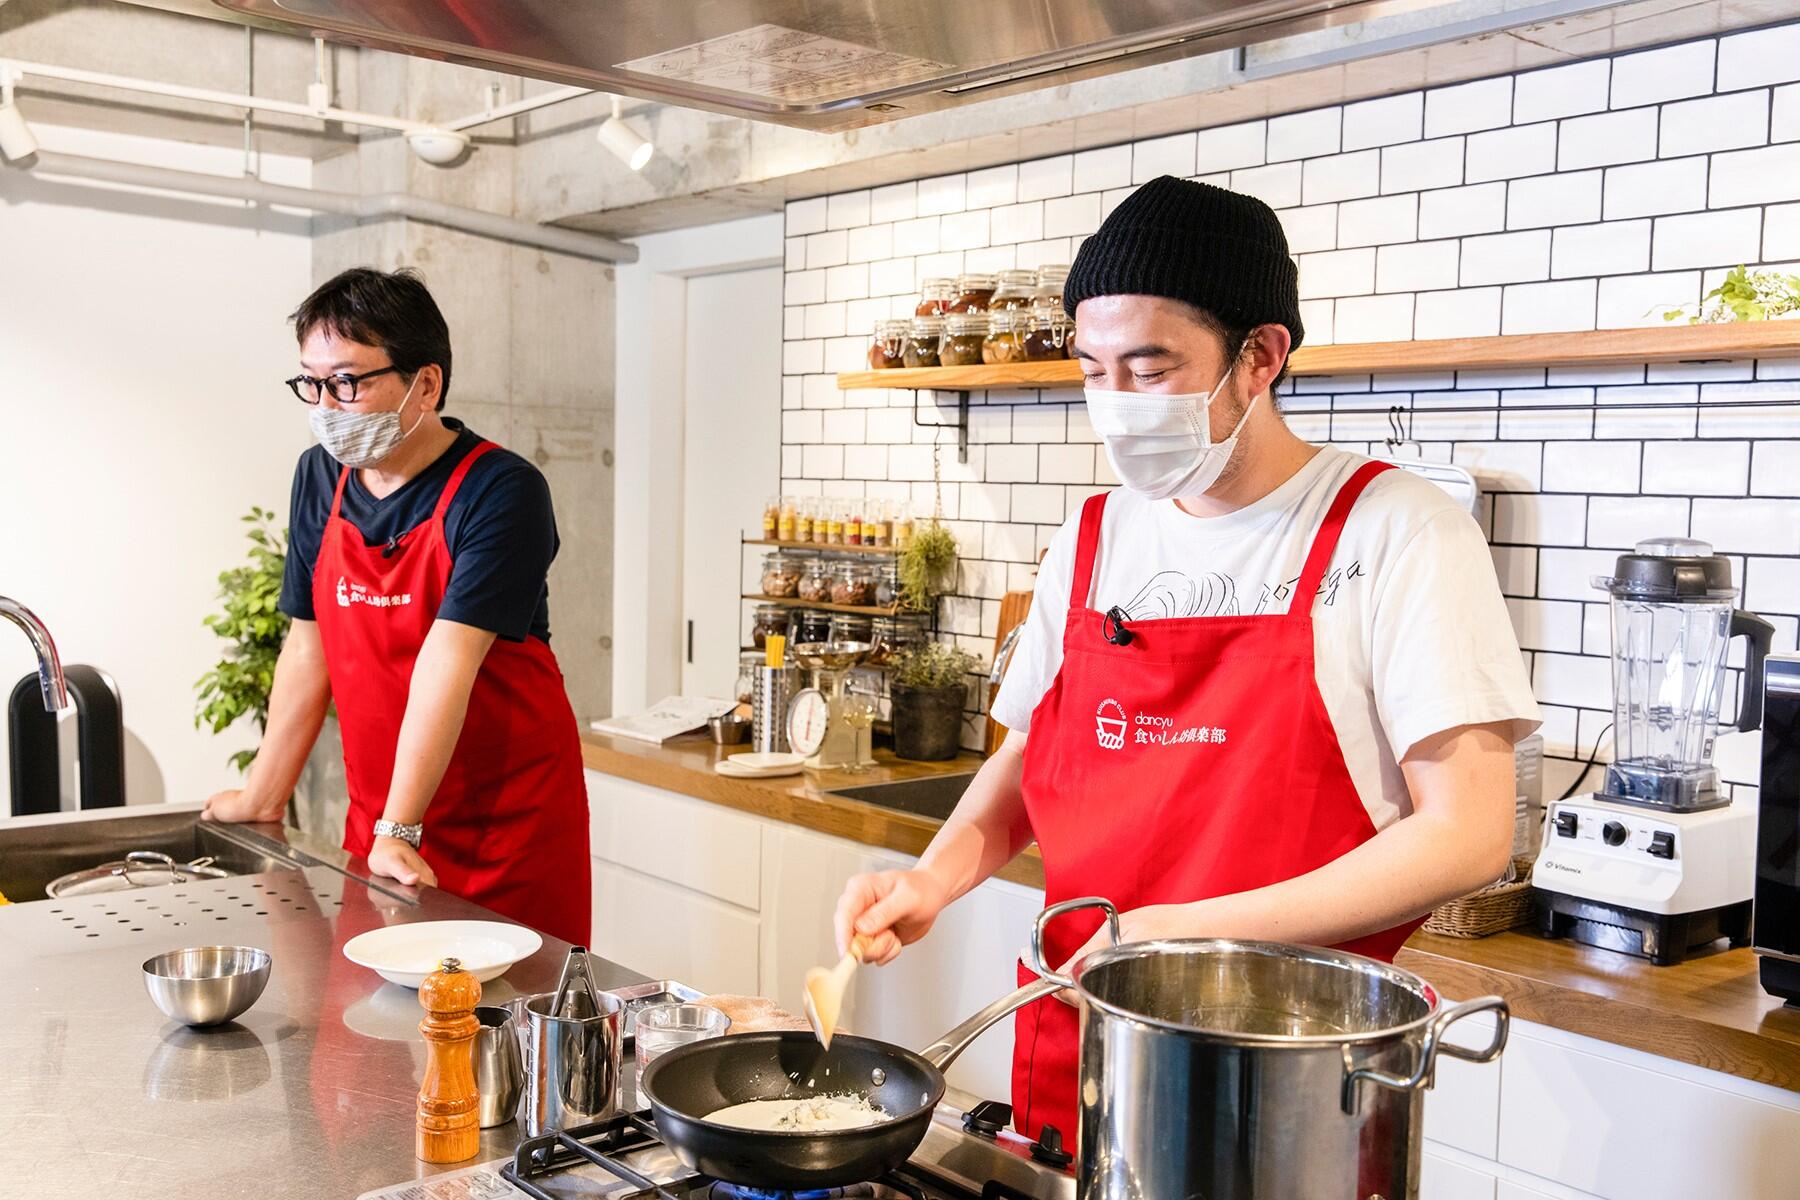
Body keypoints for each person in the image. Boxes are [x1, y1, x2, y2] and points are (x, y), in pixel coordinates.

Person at [832, 176, 1540, 1142]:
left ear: (1261, 356)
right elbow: (1030, 757)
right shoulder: (1091, 537)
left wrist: (1183, 939)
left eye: (1151, 368)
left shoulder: (1394, 531)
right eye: (1092, 370)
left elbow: (1468, 833)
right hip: (1082, 1040)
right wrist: (932, 878)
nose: (1115, 405)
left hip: (1287, 1079)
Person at [205, 267, 590, 946]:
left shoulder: (501, 490)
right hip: (381, 820)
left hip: (505, 831)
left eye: (348, 382)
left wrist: (400, 827)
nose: (326, 405)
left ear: (427, 384)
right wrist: (265, 793)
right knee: (373, 1038)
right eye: (311, 383)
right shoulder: (318, 476)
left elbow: (448, 660)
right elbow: (307, 642)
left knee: (509, 1031)